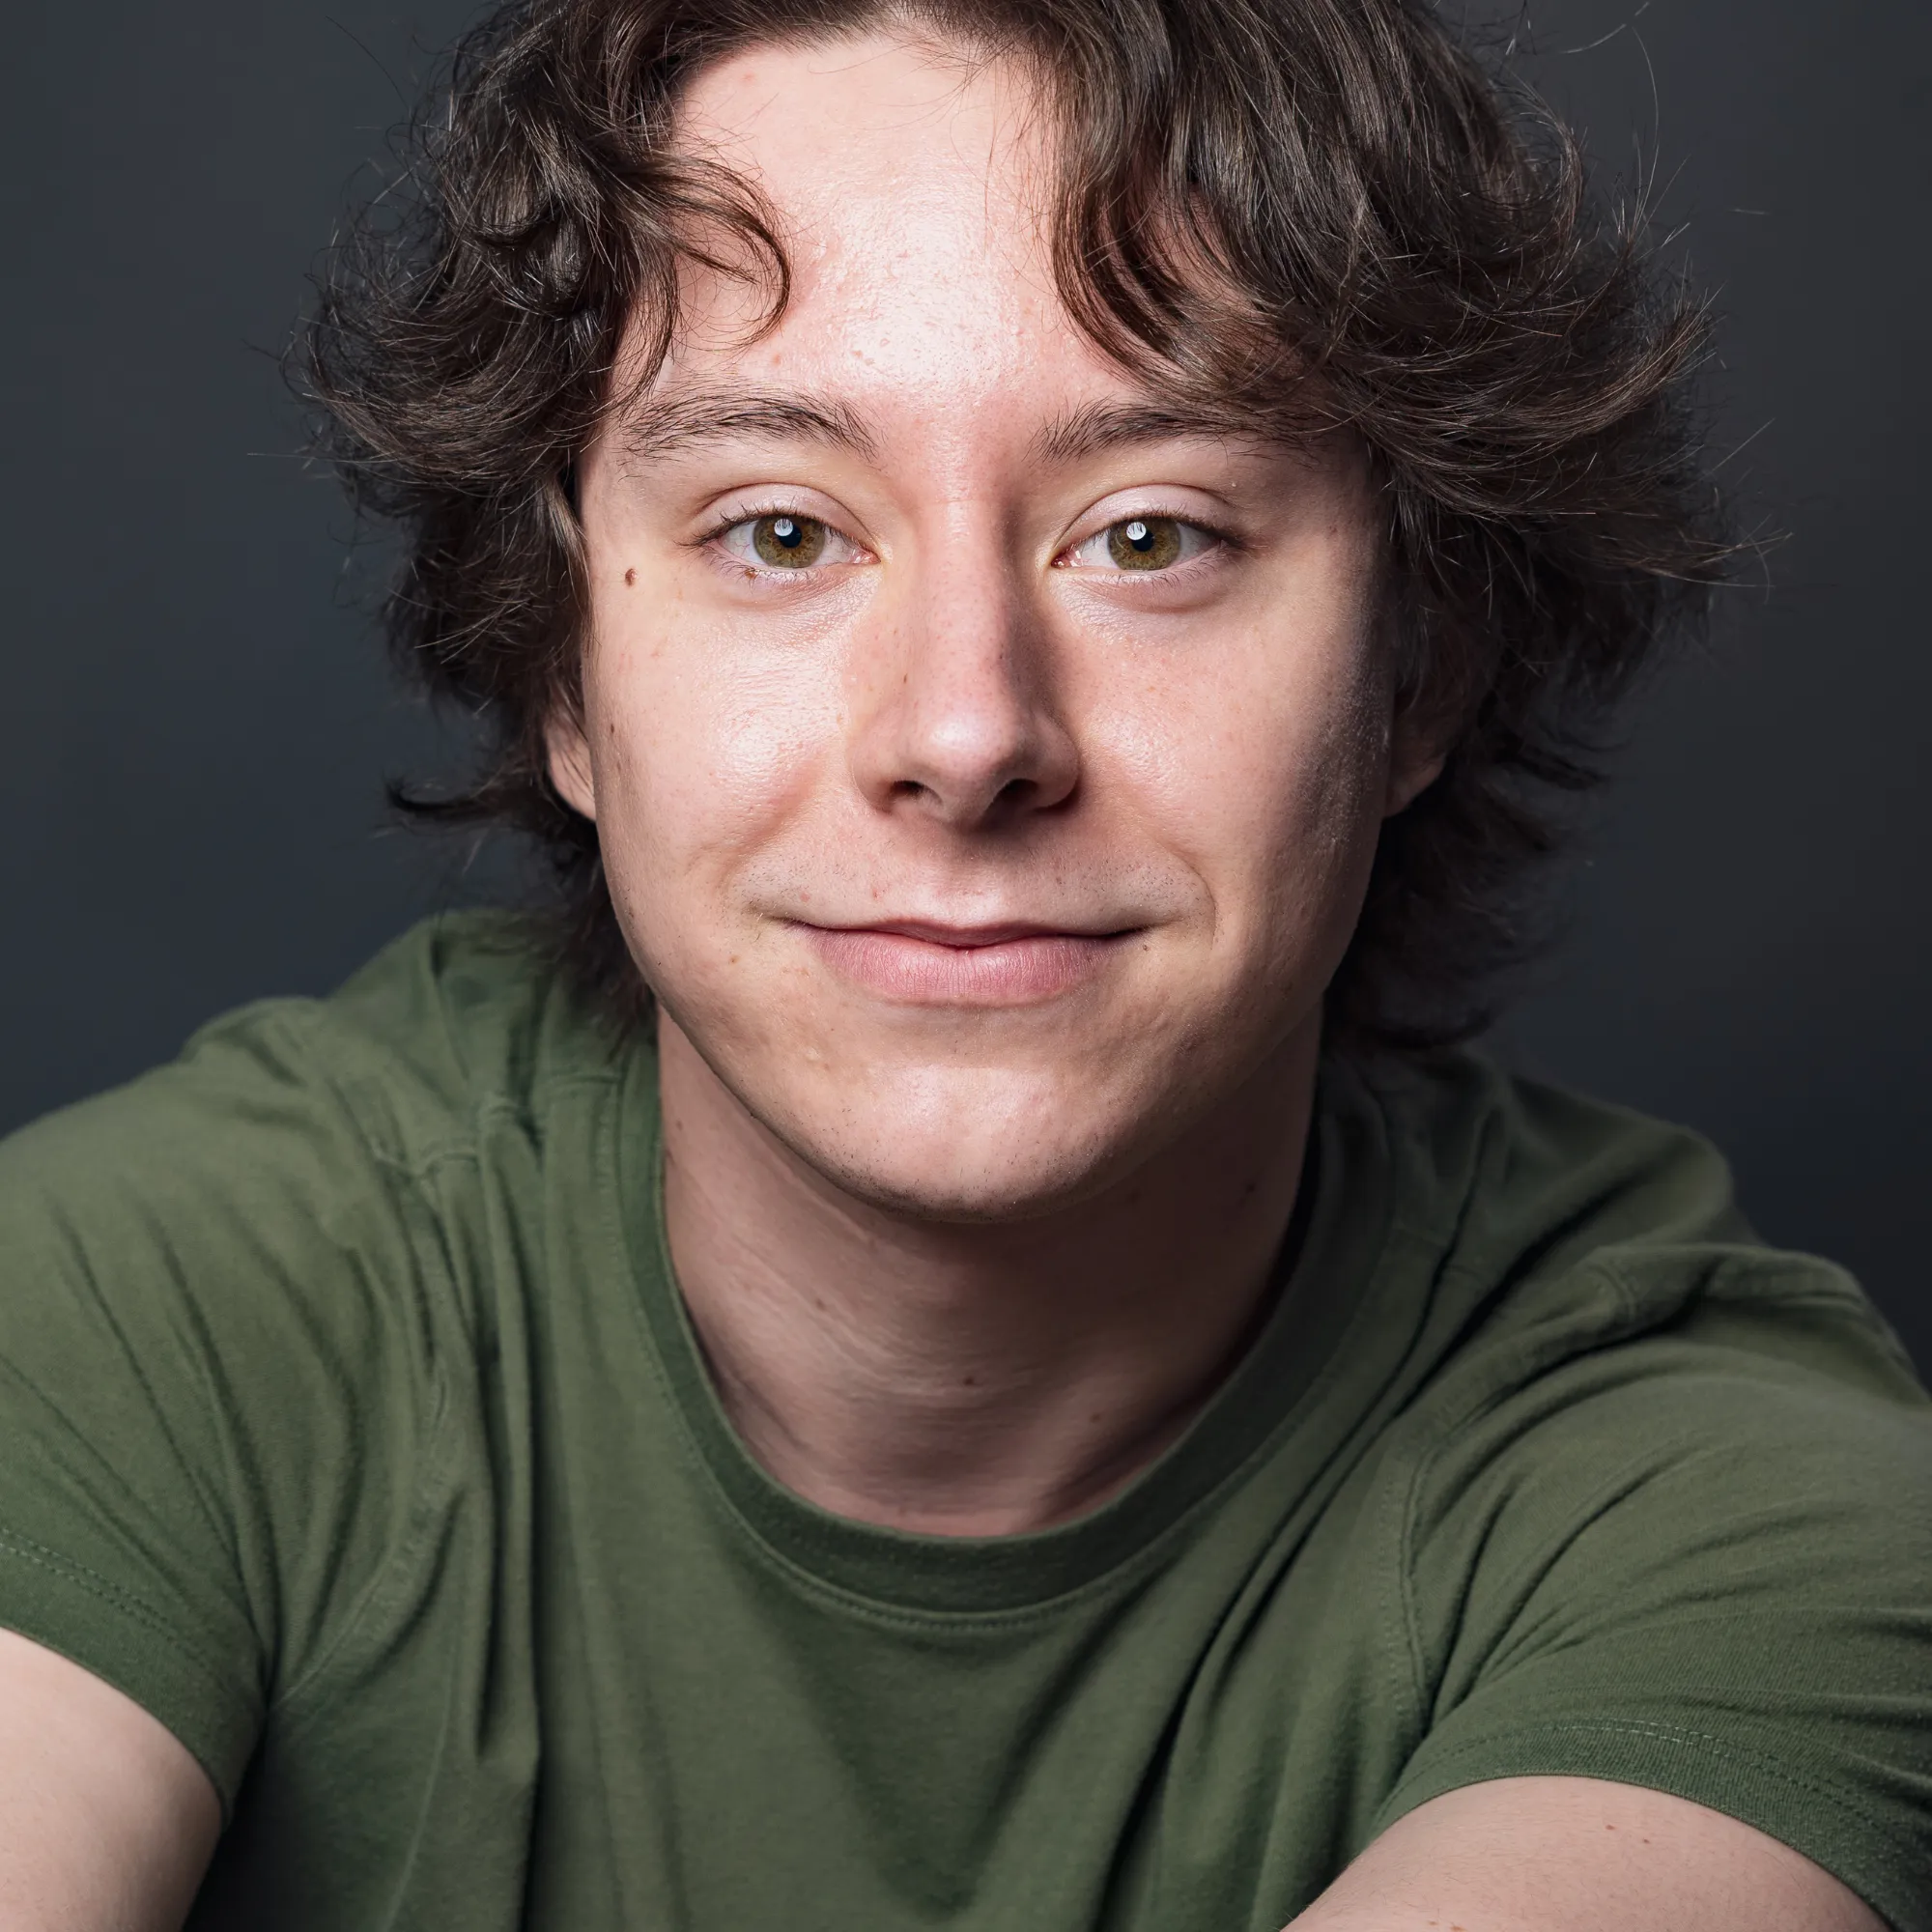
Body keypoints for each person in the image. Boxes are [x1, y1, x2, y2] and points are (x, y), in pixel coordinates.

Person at [0, 0, 1927, 1924]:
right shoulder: (144, 1312)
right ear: (561, 671)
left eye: (1151, 533)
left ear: (1416, 669)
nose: (967, 727)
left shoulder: (1723, 1498)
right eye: (778, 530)